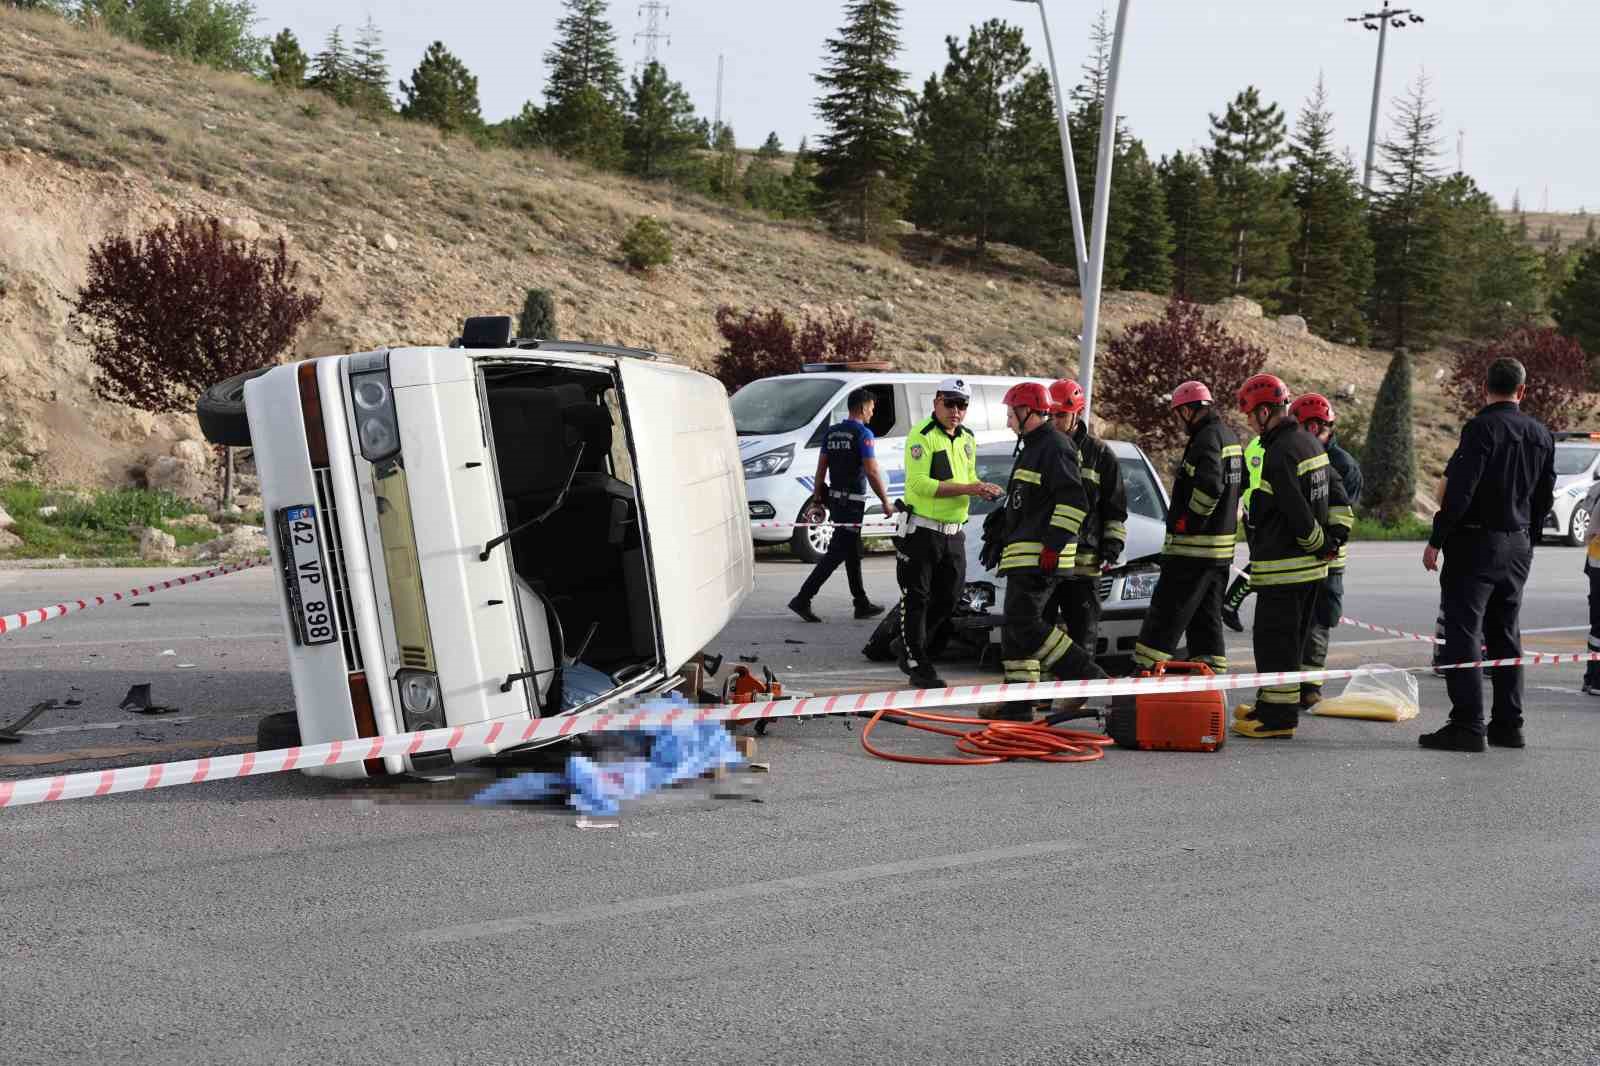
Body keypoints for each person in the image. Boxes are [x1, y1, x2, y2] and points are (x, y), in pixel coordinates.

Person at [1419, 357, 1556, 752]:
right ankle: (1508, 725)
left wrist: (1436, 540)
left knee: (1464, 633)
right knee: (1506, 633)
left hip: (1477, 544)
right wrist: (1529, 539)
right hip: (1517, 543)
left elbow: (1460, 491)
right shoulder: (1541, 434)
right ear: (1522, 391)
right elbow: (1544, 496)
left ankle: (1467, 725)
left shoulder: (1481, 429)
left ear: (1485, 388)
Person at [1230, 373, 1348, 740]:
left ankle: (1278, 720)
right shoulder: (1309, 444)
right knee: (1287, 642)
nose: (1249, 422)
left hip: (1285, 569)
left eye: (1251, 415)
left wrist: (1317, 543)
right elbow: (1338, 497)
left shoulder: (1280, 453)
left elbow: (1296, 511)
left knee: (1274, 644)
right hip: (1307, 570)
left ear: (1265, 412)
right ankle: (1270, 704)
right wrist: (1331, 542)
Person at [985, 381, 1106, 716]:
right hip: (1024, 556)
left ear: (1028, 412)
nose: (1009, 421)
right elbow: (1030, 504)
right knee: (1015, 631)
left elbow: (1074, 501)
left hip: (1039, 557)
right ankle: (1018, 705)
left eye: (1012, 414)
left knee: (1026, 625)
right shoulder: (1034, 447)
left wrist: (1053, 546)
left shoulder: (1054, 446)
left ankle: (1086, 675)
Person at [895, 377, 1004, 688]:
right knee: (916, 597)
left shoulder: (967, 438)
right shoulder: (922, 436)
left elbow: (968, 476)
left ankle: (910, 646)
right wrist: (970, 488)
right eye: (950, 403)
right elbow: (920, 485)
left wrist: (981, 487)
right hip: (923, 531)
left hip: (954, 532)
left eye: (962, 405)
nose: (956, 411)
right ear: (936, 402)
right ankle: (917, 661)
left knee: (950, 597)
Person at [1131, 381, 1243, 677]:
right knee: (1206, 621)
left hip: (1193, 551)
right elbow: (1237, 487)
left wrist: (1189, 521)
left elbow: (1210, 486)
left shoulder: (1206, 439)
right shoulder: (1229, 436)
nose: (1177, 421)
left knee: (1166, 613)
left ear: (1187, 411)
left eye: (1177, 414)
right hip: (1219, 553)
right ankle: (1210, 676)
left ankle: (1144, 671)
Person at [788, 386, 892, 623]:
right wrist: (885, 501)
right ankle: (803, 598)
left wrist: (817, 498)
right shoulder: (863, 434)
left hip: (835, 500)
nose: (872, 414)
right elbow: (872, 470)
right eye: (872, 409)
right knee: (836, 553)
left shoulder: (832, 433)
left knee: (852, 551)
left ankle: (861, 602)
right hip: (853, 503)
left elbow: (821, 468)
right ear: (864, 407)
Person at [1042, 379, 1127, 661]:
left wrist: (1112, 543)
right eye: (1049, 415)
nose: (1054, 421)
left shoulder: (1101, 455)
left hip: (1085, 562)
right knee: (1040, 632)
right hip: (1048, 559)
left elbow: (1115, 508)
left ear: (1076, 414)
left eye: (1061, 415)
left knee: (1083, 632)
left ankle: (1075, 697)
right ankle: (1038, 696)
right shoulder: (1041, 449)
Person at [1286, 394, 1361, 709]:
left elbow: (1342, 516)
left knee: (1319, 622)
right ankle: (1287, 684)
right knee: (1291, 622)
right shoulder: (1296, 453)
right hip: (1296, 556)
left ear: (1314, 426)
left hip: (1328, 560)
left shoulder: (1343, 465)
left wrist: (1324, 544)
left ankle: (1310, 686)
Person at [1220, 433, 1267, 632]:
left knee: (1263, 562)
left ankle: (1230, 604)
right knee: (1263, 564)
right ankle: (1230, 604)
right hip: (1261, 514)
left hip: (1257, 511)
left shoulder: (1259, 442)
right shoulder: (1265, 445)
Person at [1581, 476, 1600, 696]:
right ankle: (1595, 680)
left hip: (1595, 562)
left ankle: (1591, 678)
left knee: (1597, 625)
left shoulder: (1596, 489)